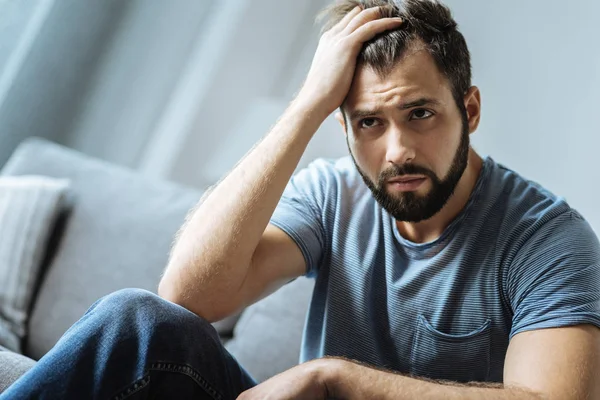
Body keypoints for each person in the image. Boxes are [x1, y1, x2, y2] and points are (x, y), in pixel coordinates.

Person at [3, 0, 600, 399]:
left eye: (420, 114)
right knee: (138, 322)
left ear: (468, 109)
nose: (396, 150)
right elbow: (188, 296)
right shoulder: (333, 192)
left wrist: (337, 380)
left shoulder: (548, 240)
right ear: (343, 128)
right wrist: (306, 104)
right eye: (368, 123)